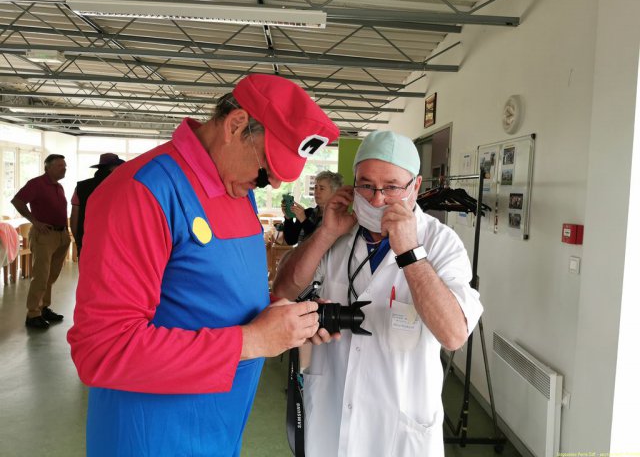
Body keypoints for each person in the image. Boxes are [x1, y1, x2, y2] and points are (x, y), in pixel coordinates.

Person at [67, 74, 339, 456]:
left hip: (220, 428)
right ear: (235, 125)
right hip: (153, 437)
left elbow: (215, 296)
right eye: (266, 170)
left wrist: (286, 323)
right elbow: (102, 349)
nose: (271, 185)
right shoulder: (144, 192)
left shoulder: (236, 188)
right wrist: (254, 340)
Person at [273, 130, 484, 457]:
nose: (376, 199)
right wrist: (325, 233)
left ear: (415, 186)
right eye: (366, 185)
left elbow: (453, 333)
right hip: (331, 414)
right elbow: (283, 289)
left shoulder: (441, 243)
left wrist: (410, 252)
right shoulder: (339, 232)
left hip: (398, 429)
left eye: (392, 187)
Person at [11, 154, 71, 330]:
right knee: (41, 275)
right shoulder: (36, 184)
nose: (64, 168)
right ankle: (33, 314)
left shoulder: (58, 186)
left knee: (52, 275)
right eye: (60, 166)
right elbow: (17, 201)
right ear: (48, 167)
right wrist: (35, 222)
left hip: (61, 234)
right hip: (45, 235)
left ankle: (43, 307)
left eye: (65, 166)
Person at [70, 152, 125, 257]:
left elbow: (74, 218)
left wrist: (79, 241)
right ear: (111, 168)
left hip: (87, 242)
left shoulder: (81, 187)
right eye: (118, 166)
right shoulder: (120, 187)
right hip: (112, 244)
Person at [281, 170, 343, 245]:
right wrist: (288, 218)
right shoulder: (307, 213)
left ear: (334, 193)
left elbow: (319, 243)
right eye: (315, 187)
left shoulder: (338, 219)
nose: (316, 191)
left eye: (322, 188)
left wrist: (304, 220)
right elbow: (291, 240)